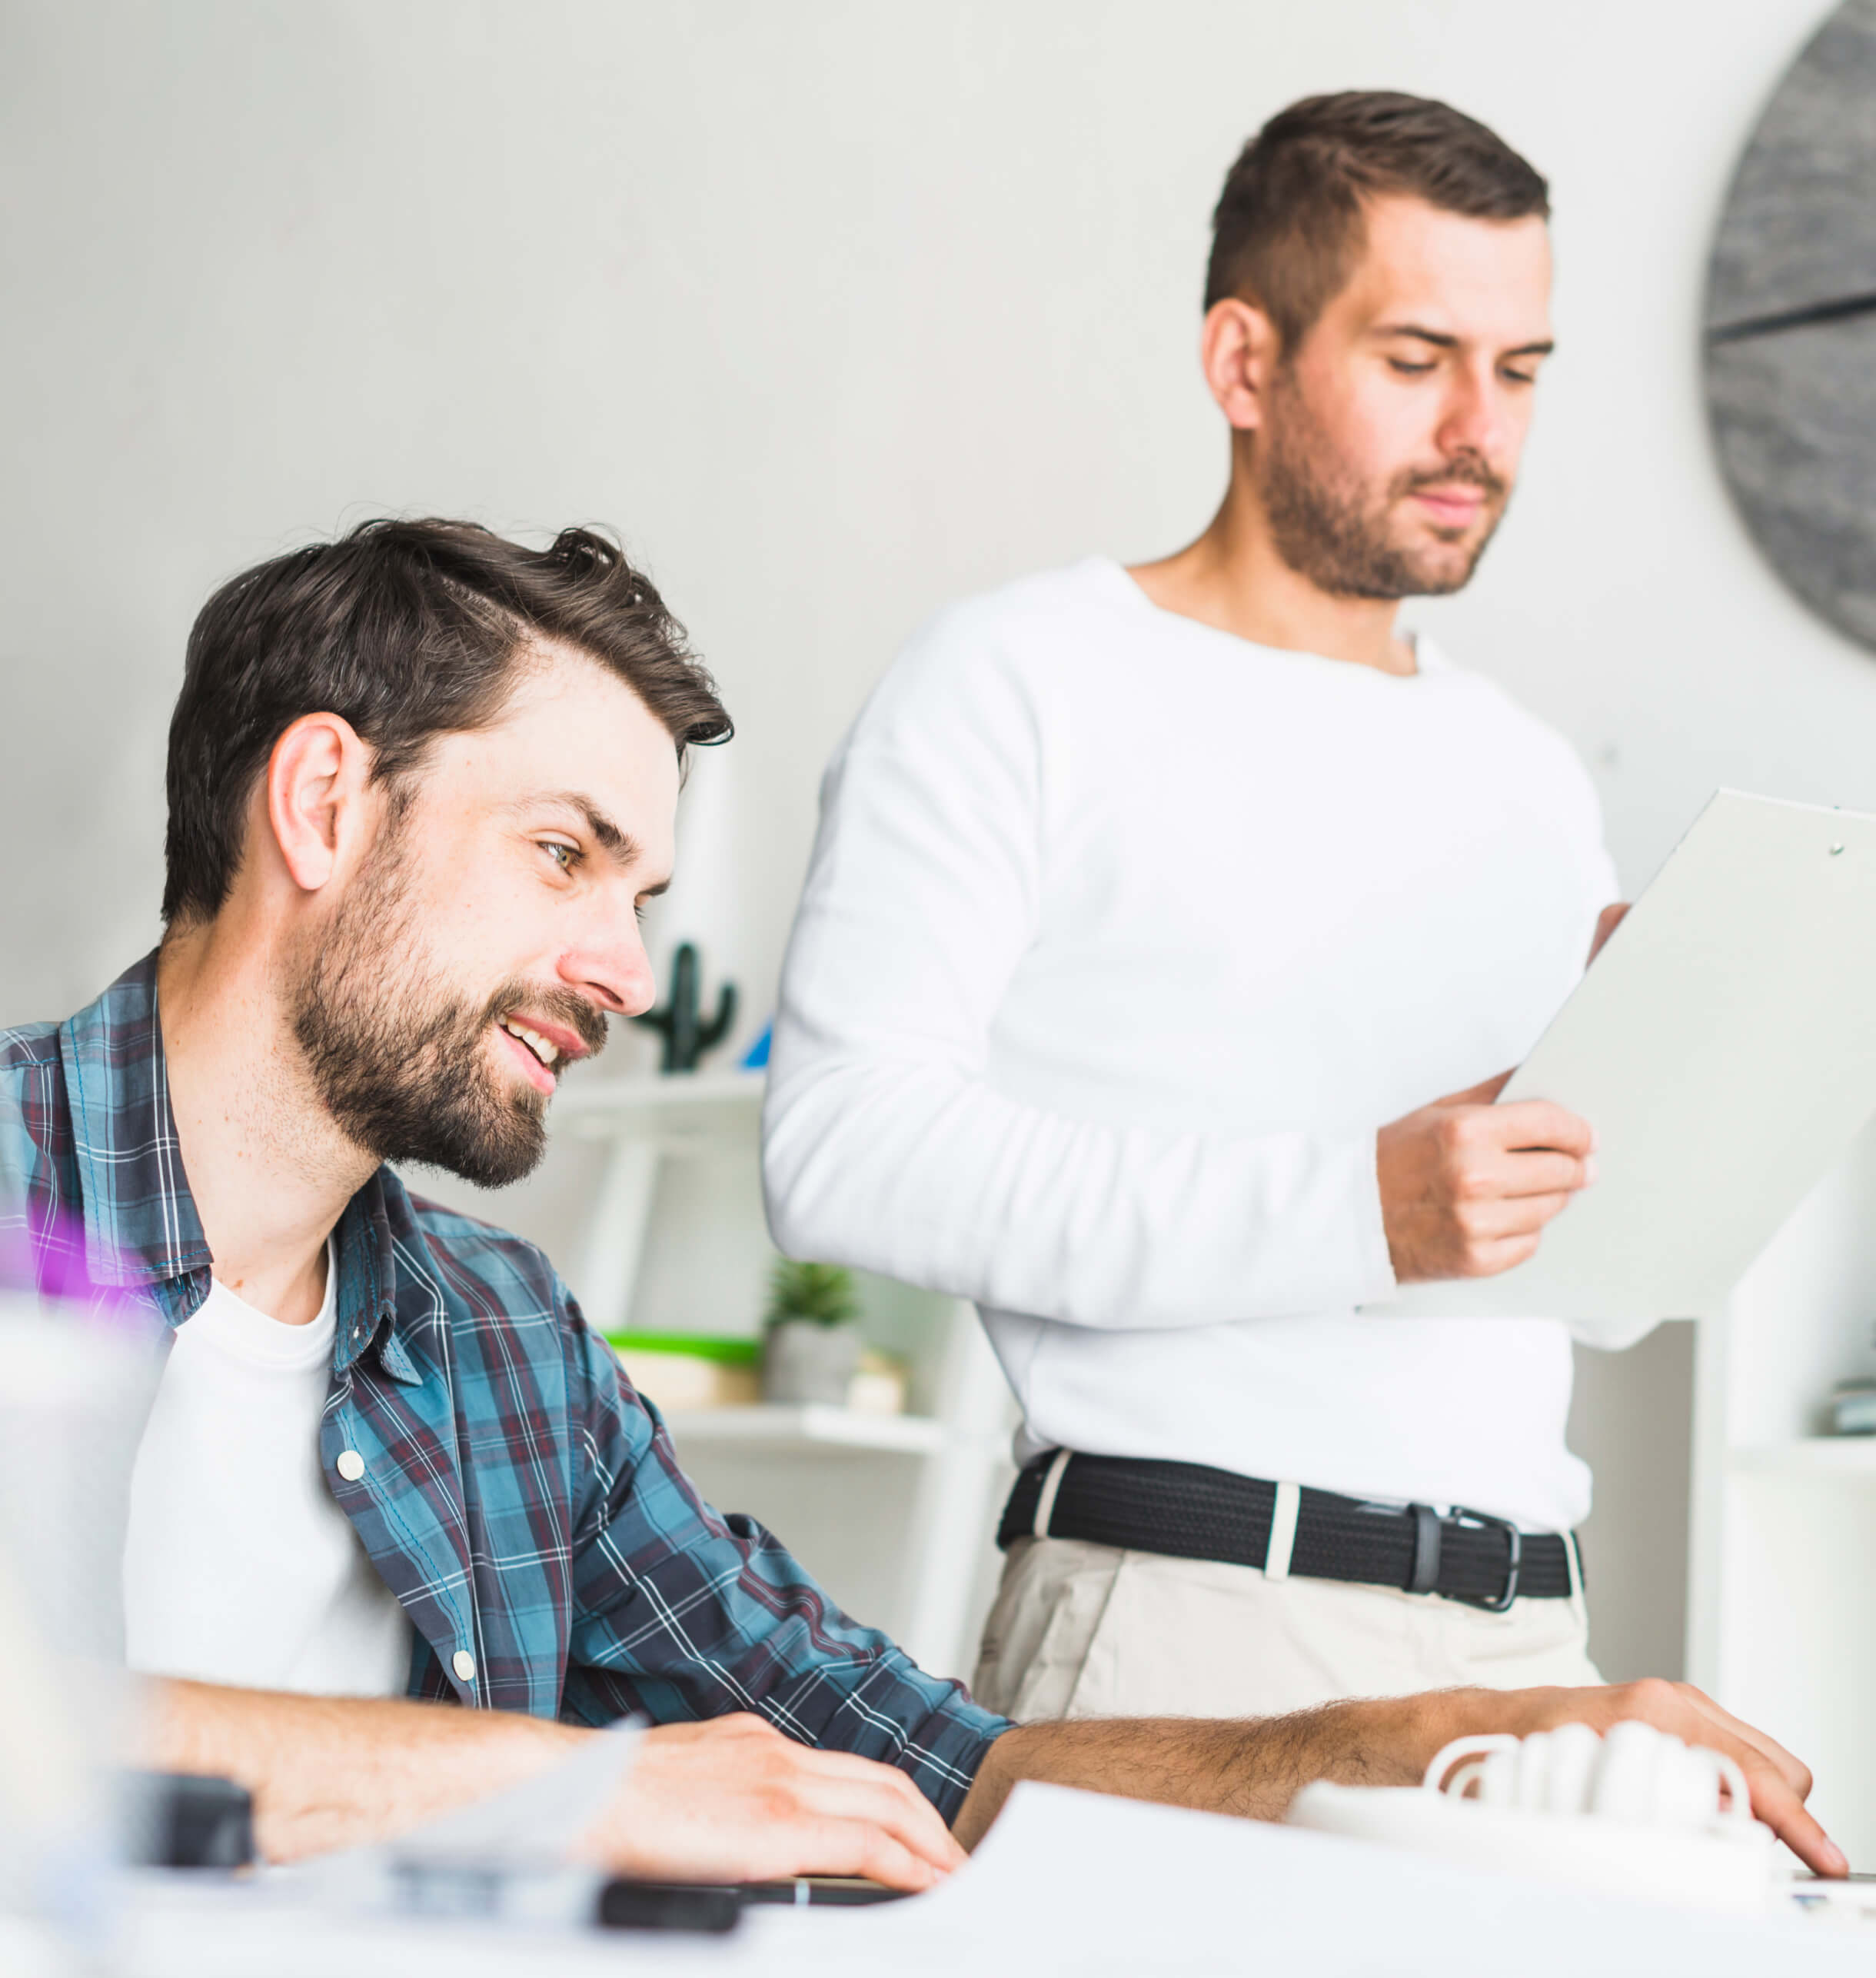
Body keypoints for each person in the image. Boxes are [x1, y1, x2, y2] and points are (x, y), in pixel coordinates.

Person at [0, 519, 1839, 1884]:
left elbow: (934, 1755)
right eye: (563, 852)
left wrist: (1451, 1737)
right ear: (322, 800)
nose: (618, 967)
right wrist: (557, 1783)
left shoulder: (495, 1341)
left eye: (637, 896)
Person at [763, 91, 1640, 1729]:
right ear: (1242, 362)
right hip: (1185, 1620)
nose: (1481, 428)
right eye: (1414, 357)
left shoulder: (1528, 774)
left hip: (1529, 1639)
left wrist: (1673, 1101)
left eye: (1517, 371)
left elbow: (1585, 1285)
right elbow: (838, 1148)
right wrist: (1356, 1203)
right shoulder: (1015, 679)